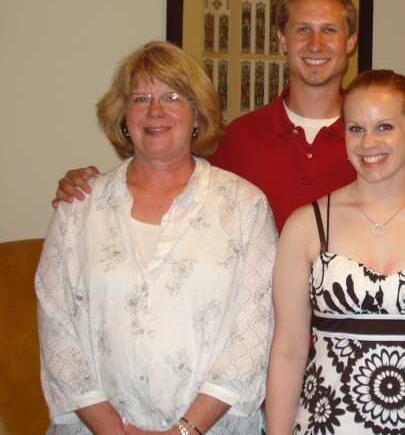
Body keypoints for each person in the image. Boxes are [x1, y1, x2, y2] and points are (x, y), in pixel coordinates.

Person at [35, 41, 275, 434]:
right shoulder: (79, 207)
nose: (155, 111)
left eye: (173, 97)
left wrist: (185, 430)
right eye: (141, 98)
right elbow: (57, 330)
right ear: (123, 118)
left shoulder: (244, 206)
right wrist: (112, 430)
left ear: (197, 115)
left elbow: (253, 332)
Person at [265, 69, 405, 434]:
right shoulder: (306, 226)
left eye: (384, 127)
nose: (369, 143)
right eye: (356, 129)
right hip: (329, 423)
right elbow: (288, 351)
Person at [54, 0, 358, 230]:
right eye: (303, 29)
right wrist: (87, 187)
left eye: (329, 30)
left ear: (350, 42)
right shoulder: (238, 138)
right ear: (281, 40)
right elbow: (164, 177)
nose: (316, 44)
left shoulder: (374, 142)